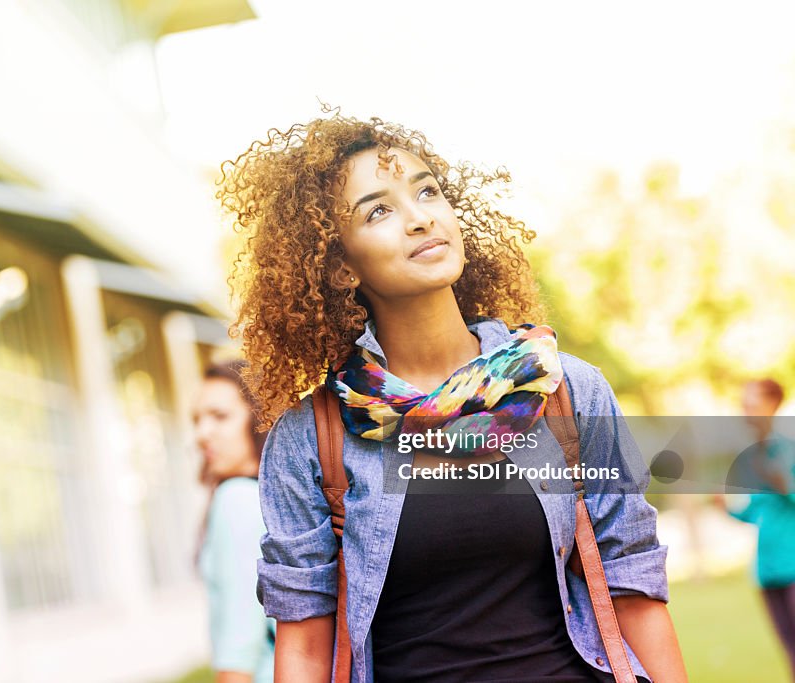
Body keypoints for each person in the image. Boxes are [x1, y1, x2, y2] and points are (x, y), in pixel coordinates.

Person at [218, 113, 688, 682]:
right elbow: (305, 644)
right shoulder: (313, 437)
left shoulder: (563, 389)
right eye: (379, 210)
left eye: (427, 192)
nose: (419, 219)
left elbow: (632, 583)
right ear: (340, 266)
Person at [193, 361, 275, 683]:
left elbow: (240, 643)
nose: (201, 434)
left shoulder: (236, 499)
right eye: (197, 420)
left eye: (220, 416)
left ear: (259, 420)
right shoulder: (270, 500)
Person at [720, 379, 795, 679]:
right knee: (789, 648)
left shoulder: (787, 450)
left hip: (793, 566)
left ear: (771, 404)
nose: (745, 410)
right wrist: (724, 508)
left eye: (750, 402)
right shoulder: (751, 456)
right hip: (767, 570)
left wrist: (782, 480)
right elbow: (754, 514)